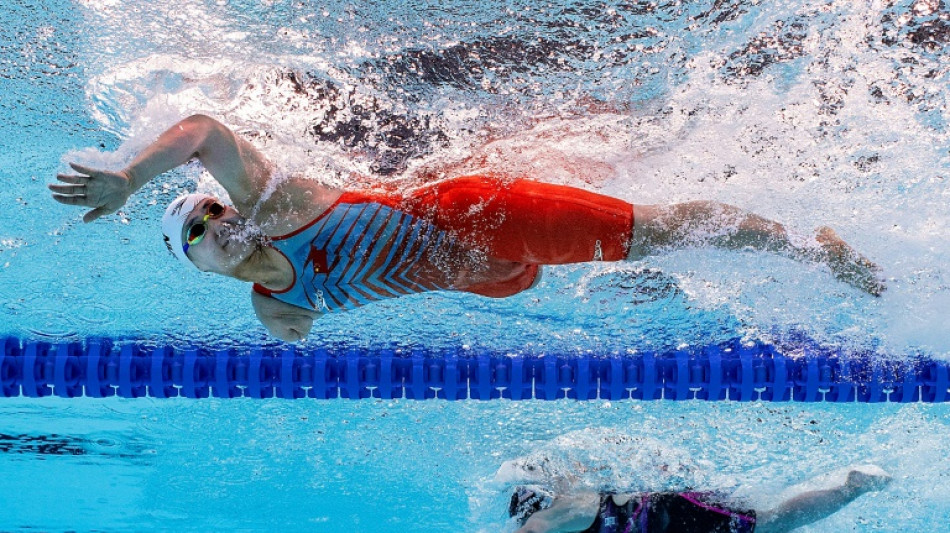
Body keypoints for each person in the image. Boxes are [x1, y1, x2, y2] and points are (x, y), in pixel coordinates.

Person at [49, 114, 884, 341]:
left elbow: (202, 131)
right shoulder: (277, 313)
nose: (216, 221)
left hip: (484, 218)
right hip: (486, 274)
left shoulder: (283, 205)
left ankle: (801, 245)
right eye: (197, 230)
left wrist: (129, 173)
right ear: (196, 268)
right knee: (634, 272)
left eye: (211, 207)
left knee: (658, 233)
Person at [507, 465, 892, 533]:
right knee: (774, 524)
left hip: (675, 514)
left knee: (774, 523)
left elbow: (536, 528)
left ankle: (852, 488)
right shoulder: (568, 502)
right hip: (669, 518)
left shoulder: (564, 514)